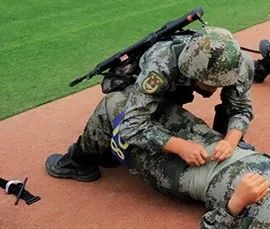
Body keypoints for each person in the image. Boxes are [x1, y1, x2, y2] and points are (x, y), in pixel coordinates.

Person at [51, 89, 270, 229]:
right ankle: (107, 145)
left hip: (181, 173)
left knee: (115, 106)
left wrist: (235, 204)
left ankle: (78, 161)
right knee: (137, 100)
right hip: (210, 145)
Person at [46, 26, 254, 182]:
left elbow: (241, 108)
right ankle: (77, 160)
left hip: (178, 87)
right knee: (114, 106)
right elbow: (132, 124)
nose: (214, 89)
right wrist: (180, 146)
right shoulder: (159, 66)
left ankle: (218, 142)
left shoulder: (237, 63)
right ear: (193, 73)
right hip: (141, 90)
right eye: (210, 84)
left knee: (225, 116)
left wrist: (229, 141)